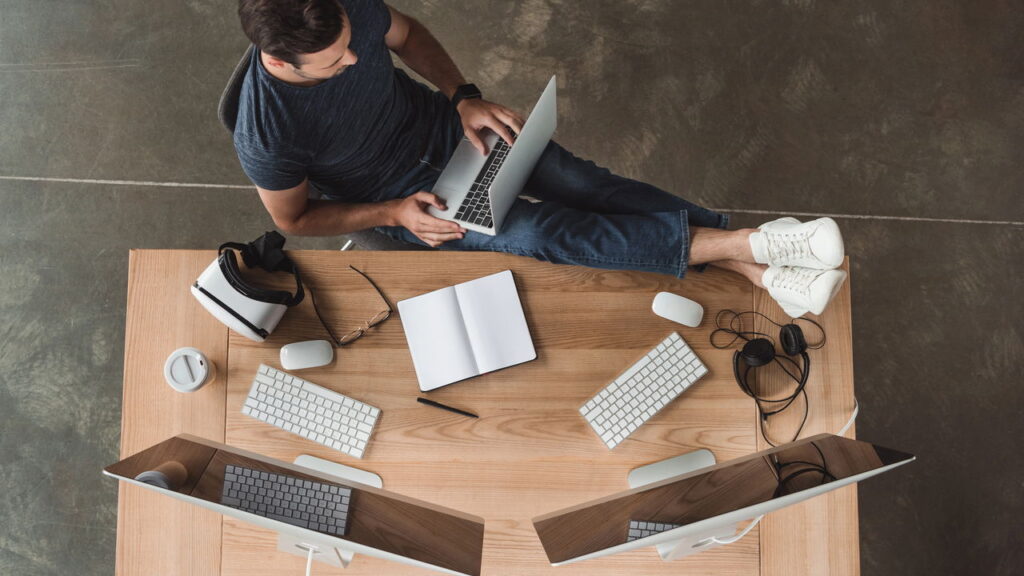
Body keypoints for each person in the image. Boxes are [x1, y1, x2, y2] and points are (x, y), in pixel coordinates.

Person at [233, 0, 847, 317]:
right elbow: (296, 221)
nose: (356, 61)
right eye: (337, 61)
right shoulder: (269, 134)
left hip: (451, 132)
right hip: (411, 198)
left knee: (580, 181)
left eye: (350, 45)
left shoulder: (346, 9)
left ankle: (753, 265)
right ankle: (749, 246)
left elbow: (409, 36)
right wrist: (393, 213)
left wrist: (464, 99)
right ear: (283, 64)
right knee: (543, 232)